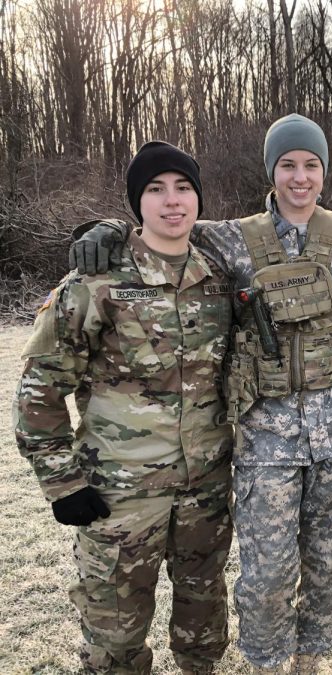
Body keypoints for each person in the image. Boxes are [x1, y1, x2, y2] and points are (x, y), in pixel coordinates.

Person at [70, 114, 332, 675]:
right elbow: (164, 227)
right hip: (265, 438)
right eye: (287, 165)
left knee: (327, 566)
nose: (299, 178)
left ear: (324, 172)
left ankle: (311, 661)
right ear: (271, 170)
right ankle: (267, 665)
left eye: (310, 166)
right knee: (268, 572)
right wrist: (105, 226)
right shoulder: (230, 238)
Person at [14, 141, 234, 674]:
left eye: (183, 188)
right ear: (137, 202)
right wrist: (63, 483)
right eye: (155, 189)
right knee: (114, 640)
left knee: (203, 631)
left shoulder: (220, 277)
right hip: (119, 497)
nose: (172, 201)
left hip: (204, 489)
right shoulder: (95, 282)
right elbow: (40, 386)